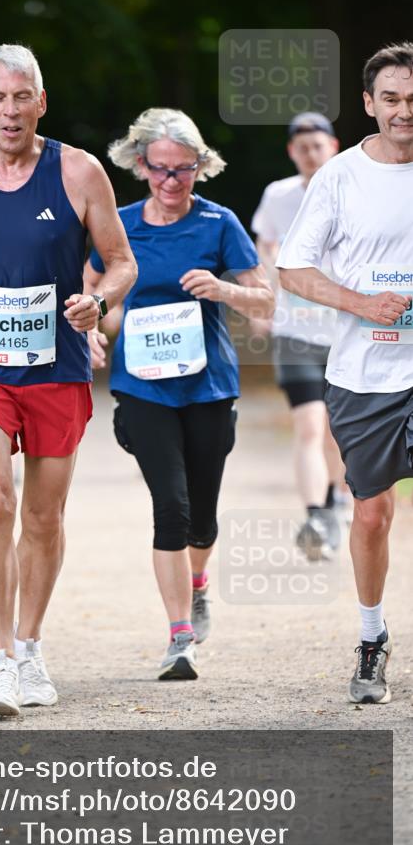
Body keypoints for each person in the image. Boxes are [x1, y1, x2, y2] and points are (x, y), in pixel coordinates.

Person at [0, 44, 137, 716]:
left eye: (22, 97)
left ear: (41, 101)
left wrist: (97, 303)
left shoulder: (77, 171)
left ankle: (31, 646)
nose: (10, 111)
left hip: (56, 367)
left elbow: (121, 261)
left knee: (41, 516)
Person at [85, 108, 274, 681]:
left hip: (208, 386)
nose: (172, 181)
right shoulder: (118, 225)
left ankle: (198, 583)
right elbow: (91, 288)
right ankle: (179, 638)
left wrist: (220, 288)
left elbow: (265, 299)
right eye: (161, 169)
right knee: (171, 508)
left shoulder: (219, 223)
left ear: (199, 168)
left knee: (203, 521)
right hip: (142, 387)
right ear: (140, 165)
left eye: (184, 170)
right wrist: (92, 327)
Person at [277, 42, 413, 704]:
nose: (403, 111)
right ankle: (370, 639)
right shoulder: (338, 176)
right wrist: (361, 302)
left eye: (412, 99)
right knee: (369, 516)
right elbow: (292, 270)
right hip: (364, 372)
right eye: (390, 99)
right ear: (368, 104)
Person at [252, 113, 347, 559]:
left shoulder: (353, 192)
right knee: (309, 425)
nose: (311, 154)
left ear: (334, 147)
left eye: (318, 145)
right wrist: (262, 297)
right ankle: (315, 514)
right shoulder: (278, 195)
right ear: (292, 152)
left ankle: (337, 500)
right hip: (295, 331)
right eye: (302, 147)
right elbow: (264, 248)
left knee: (337, 432)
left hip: (348, 331)